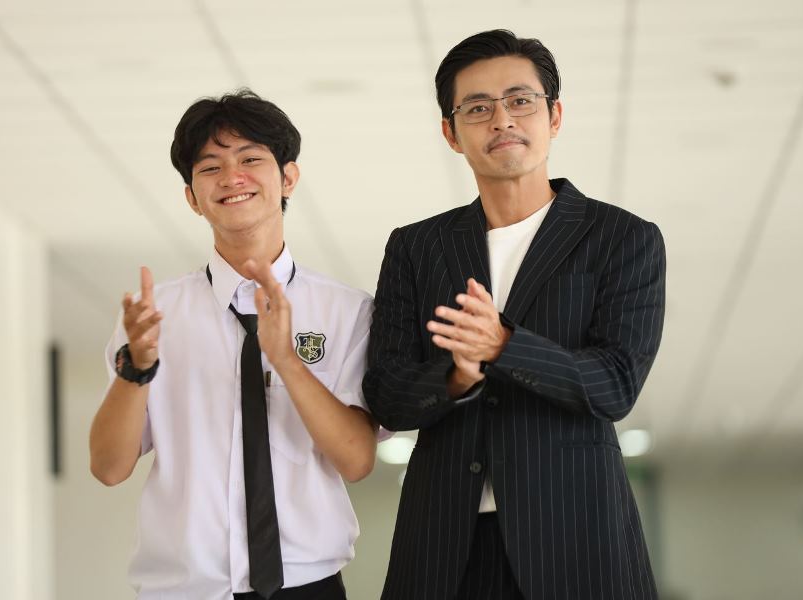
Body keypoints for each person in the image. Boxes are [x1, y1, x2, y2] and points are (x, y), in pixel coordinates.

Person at [364, 30, 666, 600]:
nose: (501, 119)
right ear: (451, 133)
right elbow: (386, 394)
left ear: (554, 117)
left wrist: (504, 345)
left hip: (577, 537)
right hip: (443, 544)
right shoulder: (417, 247)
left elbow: (615, 384)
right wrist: (456, 377)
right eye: (478, 108)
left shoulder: (623, 238)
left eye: (520, 101)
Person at [90, 89, 378, 600]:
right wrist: (137, 369)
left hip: (306, 586)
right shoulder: (155, 315)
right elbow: (109, 468)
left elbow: (356, 461)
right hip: (182, 589)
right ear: (191, 197)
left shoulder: (347, 310)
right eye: (210, 167)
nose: (231, 177)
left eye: (250, 159)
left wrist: (286, 360)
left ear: (288, 177)